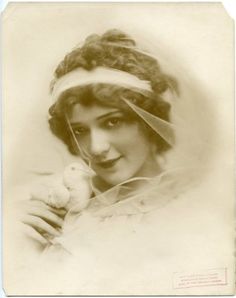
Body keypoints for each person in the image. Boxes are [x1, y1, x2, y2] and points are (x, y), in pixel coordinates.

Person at [16, 29, 203, 294]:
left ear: (148, 121)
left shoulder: (200, 207)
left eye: (113, 122)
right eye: (80, 130)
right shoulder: (50, 207)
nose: (96, 148)